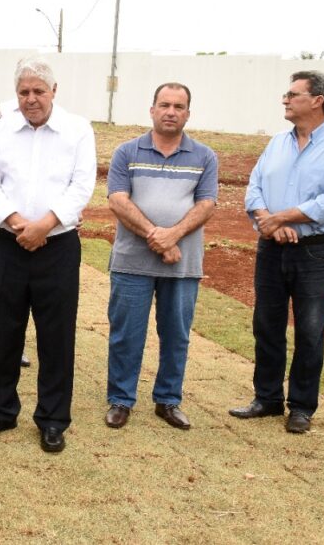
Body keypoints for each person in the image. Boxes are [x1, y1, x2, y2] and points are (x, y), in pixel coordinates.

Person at [0, 57, 96, 453]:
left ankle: (53, 419)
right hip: (8, 244)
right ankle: (1, 411)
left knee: (56, 335)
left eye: (39, 91)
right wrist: (16, 222)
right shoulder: (3, 129)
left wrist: (45, 224)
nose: (31, 99)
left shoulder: (78, 130)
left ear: (54, 91)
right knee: (2, 331)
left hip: (57, 246)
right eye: (24, 92)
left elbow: (82, 185)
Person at [229, 71, 324, 434]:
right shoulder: (277, 142)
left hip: (315, 252)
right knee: (266, 324)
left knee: (310, 329)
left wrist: (282, 216)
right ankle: (267, 398)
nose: (285, 100)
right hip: (271, 248)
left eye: (292, 94)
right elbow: (254, 187)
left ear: (317, 100)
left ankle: (301, 406)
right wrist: (270, 223)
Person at [104, 83, 218, 431]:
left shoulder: (204, 156)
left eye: (178, 106)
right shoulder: (127, 152)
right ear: (152, 110)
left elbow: (206, 204)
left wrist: (173, 235)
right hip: (131, 262)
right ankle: (120, 399)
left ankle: (168, 400)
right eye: (164, 105)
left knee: (176, 335)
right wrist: (159, 236)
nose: (171, 112)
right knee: (126, 334)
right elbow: (118, 200)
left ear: (188, 114)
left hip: (182, 264)